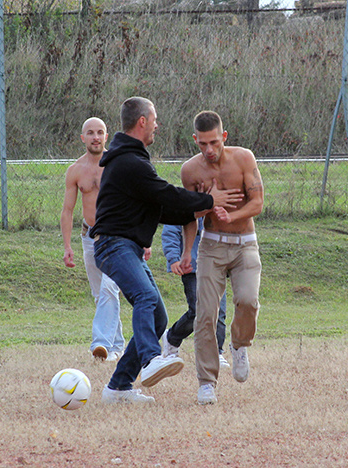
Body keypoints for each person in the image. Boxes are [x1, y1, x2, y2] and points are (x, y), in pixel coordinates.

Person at [91, 97, 243, 404]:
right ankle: (150, 360)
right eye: (155, 119)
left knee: (158, 317)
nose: (157, 125)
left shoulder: (131, 159)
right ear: (143, 121)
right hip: (113, 244)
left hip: (126, 247)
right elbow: (166, 194)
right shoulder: (129, 162)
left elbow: (162, 208)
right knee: (145, 298)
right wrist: (208, 201)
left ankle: (118, 387)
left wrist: (198, 209)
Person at [181, 110, 264, 405]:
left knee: (248, 301)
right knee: (205, 314)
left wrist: (231, 215)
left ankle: (239, 344)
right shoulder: (190, 171)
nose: (209, 150)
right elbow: (189, 216)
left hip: (245, 244)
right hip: (211, 247)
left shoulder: (244, 159)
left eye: (214, 142)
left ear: (224, 137)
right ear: (195, 140)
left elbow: (257, 202)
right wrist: (187, 251)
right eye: (203, 144)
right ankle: (206, 382)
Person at [60, 117, 134, 362]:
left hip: (117, 237)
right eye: (90, 133)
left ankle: (100, 344)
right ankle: (116, 347)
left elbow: (133, 201)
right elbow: (68, 210)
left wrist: (141, 241)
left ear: (106, 136)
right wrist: (67, 246)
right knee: (100, 295)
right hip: (89, 237)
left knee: (109, 289)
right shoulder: (75, 170)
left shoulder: (116, 164)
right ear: (83, 138)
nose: (95, 137)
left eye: (100, 132)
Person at [160, 219, 231, 371]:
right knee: (198, 310)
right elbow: (170, 233)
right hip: (191, 267)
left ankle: (216, 352)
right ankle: (172, 338)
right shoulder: (182, 201)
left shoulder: (218, 202)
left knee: (219, 310)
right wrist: (173, 258)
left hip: (216, 266)